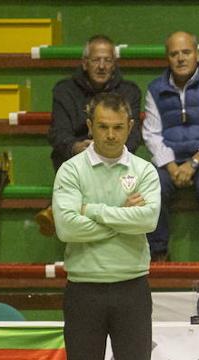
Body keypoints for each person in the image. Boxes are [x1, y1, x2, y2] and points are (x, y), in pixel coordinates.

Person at [50, 92, 160, 360]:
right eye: (103, 127)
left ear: (130, 127)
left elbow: (147, 219)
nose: (111, 135)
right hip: (84, 290)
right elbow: (66, 228)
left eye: (118, 127)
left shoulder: (145, 171)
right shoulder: (71, 170)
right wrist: (120, 216)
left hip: (133, 288)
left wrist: (92, 211)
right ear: (90, 126)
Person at [142, 31, 199, 262]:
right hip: (170, 159)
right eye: (174, 54)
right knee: (153, 186)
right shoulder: (155, 89)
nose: (181, 58)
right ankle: (158, 252)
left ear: (197, 55)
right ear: (167, 58)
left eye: (186, 52)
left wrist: (193, 163)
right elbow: (151, 134)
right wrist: (173, 167)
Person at [40, 36, 142, 237]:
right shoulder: (64, 90)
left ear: (114, 64)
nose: (102, 66)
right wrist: (78, 147)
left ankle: (60, 209)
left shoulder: (130, 91)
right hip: (77, 156)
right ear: (84, 63)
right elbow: (58, 133)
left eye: (108, 60)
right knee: (68, 158)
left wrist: (107, 150)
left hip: (116, 154)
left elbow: (134, 135)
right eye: (96, 60)